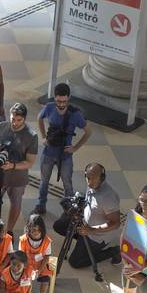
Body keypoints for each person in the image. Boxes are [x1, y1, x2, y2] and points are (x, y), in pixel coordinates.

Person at [35, 83, 91, 215]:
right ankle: (41, 204)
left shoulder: (75, 114)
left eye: (64, 101)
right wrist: (43, 137)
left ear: (69, 98)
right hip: (49, 151)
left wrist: (75, 148)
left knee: (67, 184)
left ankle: (69, 210)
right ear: (54, 98)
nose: (61, 104)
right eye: (58, 101)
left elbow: (88, 131)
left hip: (65, 154)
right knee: (44, 180)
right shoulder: (49, 107)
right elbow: (39, 118)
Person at [52, 163, 121, 269]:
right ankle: (82, 241)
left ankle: (113, 251)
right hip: (84, 224)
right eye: (87, 178)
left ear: (102, 178)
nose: (89, 182)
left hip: (96, 236)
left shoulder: (108, 197)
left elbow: (115, 223)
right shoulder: (92, 185)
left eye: (93, 179)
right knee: (58, 226)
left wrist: (91, 230)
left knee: (75, 262)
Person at [0, 102, 37, 228]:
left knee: (16, 206)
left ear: (24, 119)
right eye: (13, 119)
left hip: (18, 178)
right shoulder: (1, 126)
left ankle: (9, 231)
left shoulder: (31, 136)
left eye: (19, 120)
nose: (15, 123)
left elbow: (30, 162)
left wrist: (12, 165)